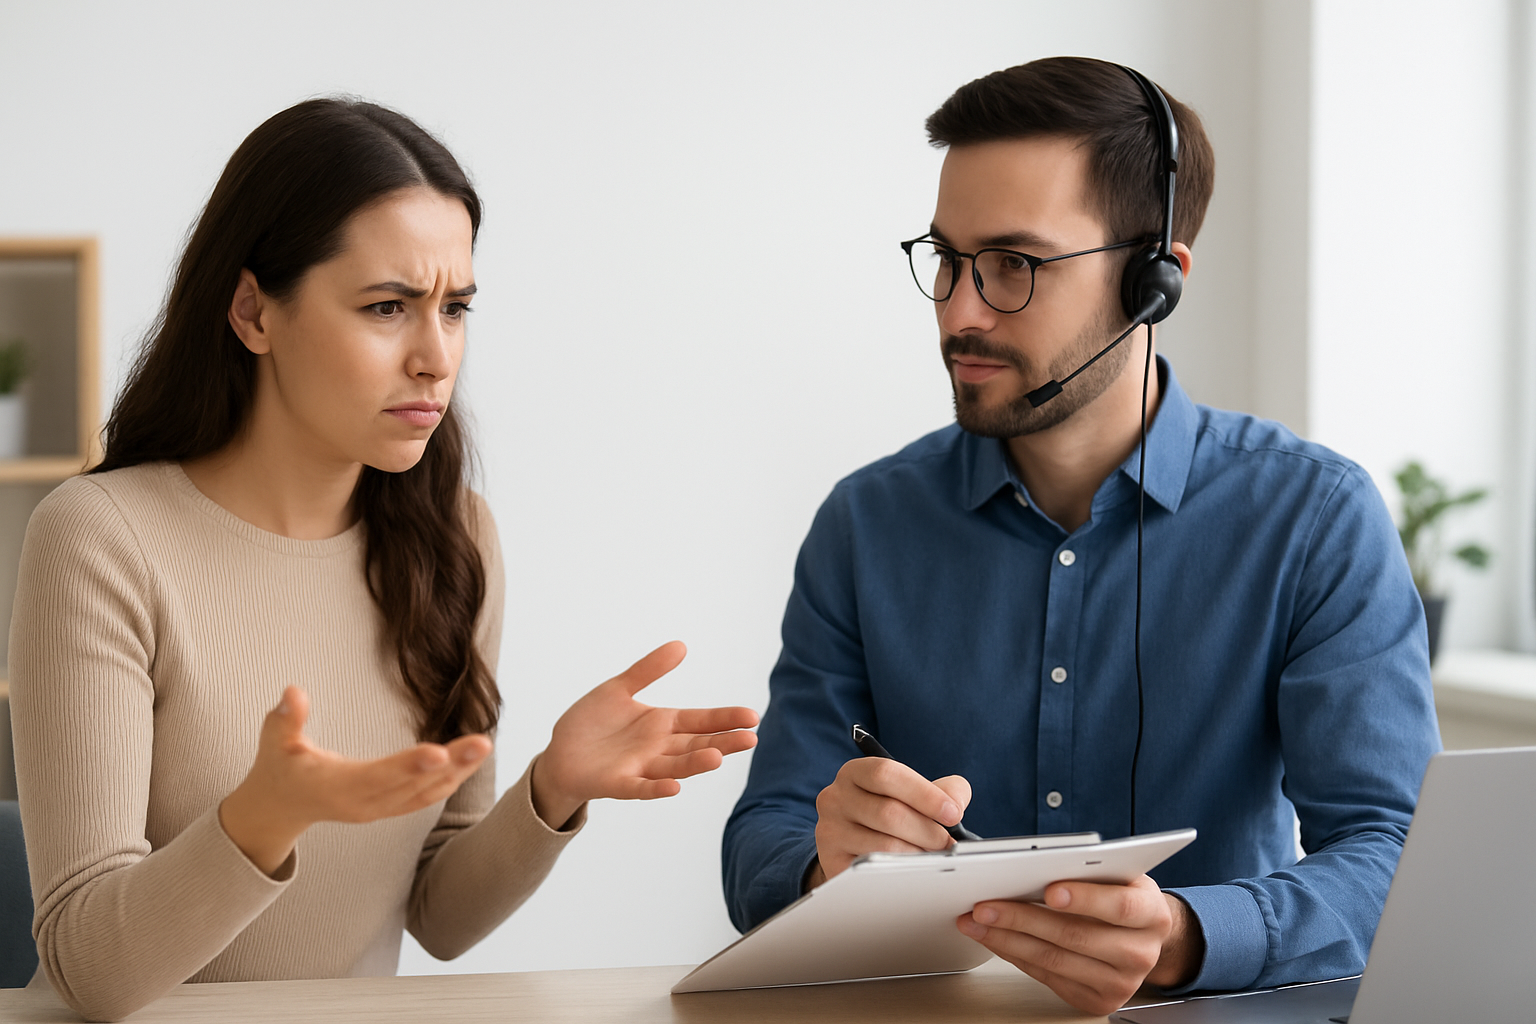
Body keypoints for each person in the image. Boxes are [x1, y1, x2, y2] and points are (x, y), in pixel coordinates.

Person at [9, 98, 759, 1023]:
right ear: (253, 312)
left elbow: (439, 917)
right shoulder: (101, 538)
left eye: (456, 308)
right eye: (387, 308)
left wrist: (550, 790)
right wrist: (263, 819)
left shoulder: (455, 540)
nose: (436, 358)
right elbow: (91, 968)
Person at [721, 56, 1439, 1016]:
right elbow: (763, 834)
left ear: (1156, 284)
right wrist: (825, 862)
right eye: (946, 258)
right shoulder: (866, 524)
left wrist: (1186, 937)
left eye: (1015, 264)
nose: (959, 309)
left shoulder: (1312, 519)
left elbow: (1399, 857)